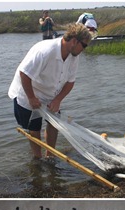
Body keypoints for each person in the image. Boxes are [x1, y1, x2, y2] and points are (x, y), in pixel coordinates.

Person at [8, 22, 91, 159]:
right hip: (27, 92)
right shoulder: (45, 51)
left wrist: (58, 100)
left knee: (54, 124)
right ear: (74, 41)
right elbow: (25, 74)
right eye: (84, 46)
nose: (84, 49)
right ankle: (38, 158)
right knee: (34, 128)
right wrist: (31, 98)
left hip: (51, 94)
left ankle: (50, 156)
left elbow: (70, 82)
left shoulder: (74, 56)